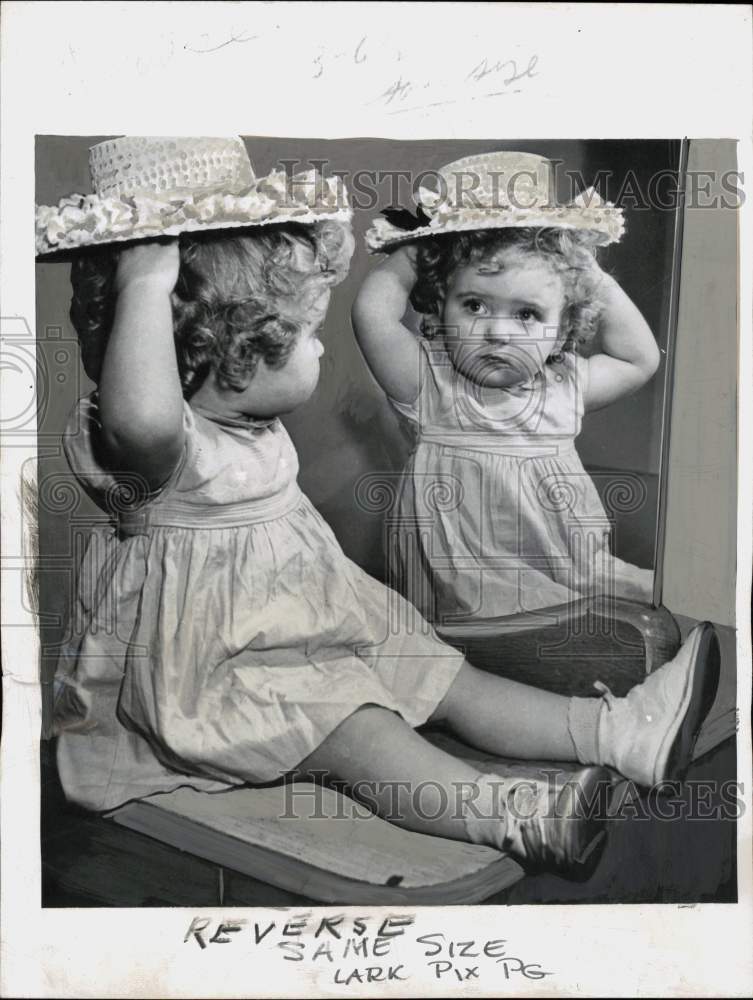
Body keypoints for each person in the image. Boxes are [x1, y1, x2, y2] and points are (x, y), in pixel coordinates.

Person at [42, 138, 719, 880]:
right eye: (301, 336)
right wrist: (147, 279)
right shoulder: (162, 450)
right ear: (222, 351)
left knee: (441, 672)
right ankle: (513, 813)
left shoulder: (245, 424)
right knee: (357, 728)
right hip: (218, 668)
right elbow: (142, 413)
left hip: (309, 616)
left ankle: (614, 731)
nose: (322, 352)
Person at [354, 151, 658, 623]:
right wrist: (422, 252)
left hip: (572, 569)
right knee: (543, 619)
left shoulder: (564, 386)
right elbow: (373, 313)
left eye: (527, 314)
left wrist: (587, 271)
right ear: (438, 307)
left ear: (561, 331)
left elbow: (639, 358)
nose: (498, 333)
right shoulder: (430, 384)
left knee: (657, 596)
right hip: (467, 583)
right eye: (474, 306)